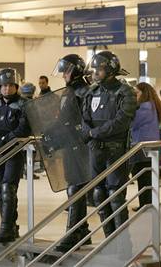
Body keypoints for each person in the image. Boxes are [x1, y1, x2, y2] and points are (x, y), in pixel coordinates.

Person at [82, 51, 137, 237]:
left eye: (100, 69)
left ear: (111, 69)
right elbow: (84, 118)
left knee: (115, 195)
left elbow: (122, 121)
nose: (96, 73)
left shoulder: (125, 91)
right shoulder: (92, 92)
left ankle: (123, 244)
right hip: (95, 150)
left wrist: (94, 133)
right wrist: (87, 132)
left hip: (116, 150)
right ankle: (109, 240)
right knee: (99, 194)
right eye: (95, 69)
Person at [0, 68, 30, 243]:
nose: (7, 89)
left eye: (10, 85)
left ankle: (6, 228)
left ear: (16, 86)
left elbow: (24, 128)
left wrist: (6, 139)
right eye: (4, 86)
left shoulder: (23, 105)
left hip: (14, 152)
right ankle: (10, 226)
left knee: (8, 189)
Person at [50, 54, 92, 253]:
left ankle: (73, 232)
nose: (63, 75)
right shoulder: (68, 92)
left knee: (76, 189)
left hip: (81, 147)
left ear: (75, 70)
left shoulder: (85, 91)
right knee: (72, 187)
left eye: (66, 71)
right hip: (69, 145)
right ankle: (82, 231)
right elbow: (63, 119)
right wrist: (50, 134)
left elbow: (86, 120)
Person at [130, 82, 161, 212]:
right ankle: (145, 204)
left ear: (144, 93)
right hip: (148, 147)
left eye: (136, 93)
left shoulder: (145, 107)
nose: (134, 96)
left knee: (145, 178)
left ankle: (147, 205)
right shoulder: (151, 106)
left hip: (144, 147)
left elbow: (132, 123)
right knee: (146, 178)